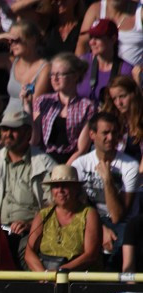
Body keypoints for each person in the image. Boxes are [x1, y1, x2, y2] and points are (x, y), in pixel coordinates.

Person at [0, 110, 57, 267]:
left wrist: (32, 224)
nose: (8, 134)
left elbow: (54, 203)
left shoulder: (44, 163)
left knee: (28, 253)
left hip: (31, 231)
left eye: (14, 130)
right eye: (4, 129)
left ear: (28, 133)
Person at [70, 111, 139, 267]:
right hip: (88, 220)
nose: (111, 138)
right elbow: (76, 206)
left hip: (122, 224)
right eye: (105, 133)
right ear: (92, 135)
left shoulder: (130, 166)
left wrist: (107, 180)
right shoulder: (80, 165)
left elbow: (117, 216)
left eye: (114, 133)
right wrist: (100, 229)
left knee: (120, 241)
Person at [26, 164, 102, 271]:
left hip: (76, 278)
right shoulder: (43, 215)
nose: (60, 190)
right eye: (56, 186)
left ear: (76, 189)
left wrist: (61, 272)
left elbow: (90, 254)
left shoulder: (89, 214)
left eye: (65, 185)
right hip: (46, 277)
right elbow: (29, 252)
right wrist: (44, 275)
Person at [32, 52, 94, 164]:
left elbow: (81, 149)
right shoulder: (42, 101)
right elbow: (34, 140)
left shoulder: (87, 106)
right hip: (43, 160)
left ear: (75, 76)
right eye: (52, 74)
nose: (54, 79)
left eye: (60, 74)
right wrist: (27, 106)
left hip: (71, 162)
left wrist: (65, 170)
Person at [0, 20, 50, 115]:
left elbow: (35, 104)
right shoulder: (10, 61)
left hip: (28, 123)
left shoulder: (45, 67)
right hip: (7, 121)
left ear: (33, 39)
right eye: (10, 41)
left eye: (16, 40)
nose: (12, 44)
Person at [76, 19, 134, 107]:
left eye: (98, 38)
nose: (92, 42)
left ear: (113, 39)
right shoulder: (81, 63)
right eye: (91, 37)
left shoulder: (125, 70)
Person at [77, 0, 143, 67]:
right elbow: (82, 45)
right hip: (98, 73)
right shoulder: (95, 10)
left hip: (132, 75)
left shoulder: (140, 12)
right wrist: (80, 71)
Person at [101, 75, 143, 162]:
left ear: (133, 94)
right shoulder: (116, 120)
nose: (118, 103)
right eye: (114, 99)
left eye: (122, 96)